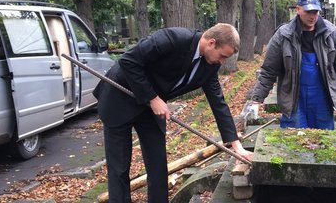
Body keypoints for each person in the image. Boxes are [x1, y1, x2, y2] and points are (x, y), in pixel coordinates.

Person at [93, 23, 252, 203]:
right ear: (211, 43)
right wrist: (152, 98)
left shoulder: (210, 66)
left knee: (158, 165)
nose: (222, 62)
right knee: (119, 168)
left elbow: (218, 102)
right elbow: (129, 60)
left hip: (150, 107)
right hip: (120, 97)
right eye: (222, 56)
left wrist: (236, 146)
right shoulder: (173, 39)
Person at [244, 0, 336, 130]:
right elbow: (269, 70)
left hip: (322, 97)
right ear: (298, 9)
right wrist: (256, 100)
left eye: (316, 12)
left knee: (324, 140)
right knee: (294, 140)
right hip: (294, 98)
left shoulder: (331, 34)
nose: (313, 16)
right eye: (308, 11)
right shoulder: (283, 35)